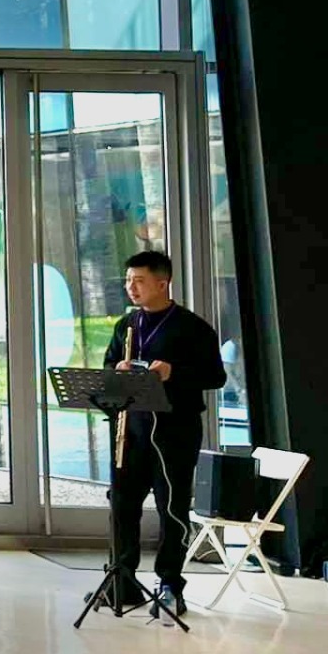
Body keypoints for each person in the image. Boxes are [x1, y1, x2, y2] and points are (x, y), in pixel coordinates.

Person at [104, 250, 225, 616]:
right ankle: (122, 582)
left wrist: (174, 373)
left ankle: (170, 585)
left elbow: (215, 376)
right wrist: (117, 369)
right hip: (131, 428)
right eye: (128, 280)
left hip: (175, 431)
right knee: (122, 505)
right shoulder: (126, 324)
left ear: (162, 283)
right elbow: (108, 366)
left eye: (139, 281)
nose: (131, 287)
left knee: (171, 508)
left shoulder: (192, 328)